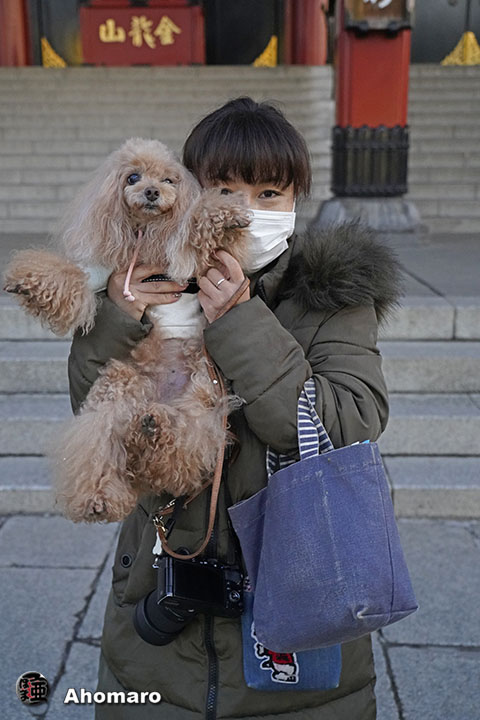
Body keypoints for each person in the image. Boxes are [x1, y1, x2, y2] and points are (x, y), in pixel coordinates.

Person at [68, 97, 402, 719]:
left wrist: (240, 319)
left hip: (300, 582)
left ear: (295, 201)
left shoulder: (333, 295)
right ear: (189, 192)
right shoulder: (146, 283)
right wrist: (114, 317)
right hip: (163, 593)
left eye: (270, 192)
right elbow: (93, 409)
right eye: (224, 189)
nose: (247, 210)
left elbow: (347, 423)